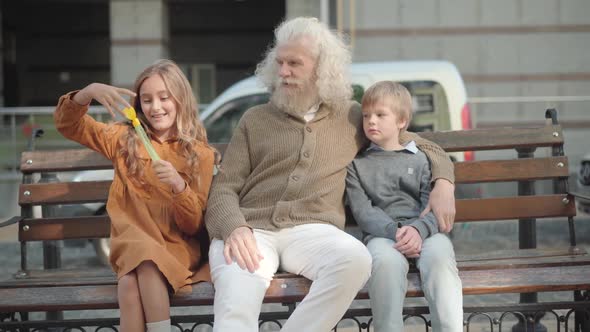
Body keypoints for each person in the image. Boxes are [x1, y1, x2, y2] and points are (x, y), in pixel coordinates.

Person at [204, 17, 456, 332]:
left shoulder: (352, 117)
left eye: (294, 63)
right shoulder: (254, 119)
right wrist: (233, 228)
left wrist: (443, 183)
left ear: (322, 69)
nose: (283, 72)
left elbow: (422, 146)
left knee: (356, 260)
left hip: (312, 232)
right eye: (280, 62)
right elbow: (223, 189)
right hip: (252, 232)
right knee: (236, 304)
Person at [54, 59, 216, 332]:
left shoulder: (200, 154)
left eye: (164, 98)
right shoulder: (123, 139)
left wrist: (179, 187)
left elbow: (194, 225)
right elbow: (68, 125)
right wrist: (88, 92)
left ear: (181, 100)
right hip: (133, 245)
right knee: (142, 255)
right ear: (138, 105)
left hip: (175, 248)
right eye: (147, 100)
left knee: (130, 284)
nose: (155, 107)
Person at [346, 81, 463, 331]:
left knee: (441, 258)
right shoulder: (357, 165)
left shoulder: (422, 160)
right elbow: (363, 211)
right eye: (366, 116)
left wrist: (418, 231)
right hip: (383, 235)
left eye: (380, 115)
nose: (371, 121)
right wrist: (396, 231)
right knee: (385, 263)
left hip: (425, 233)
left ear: (401, 121)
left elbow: (433, 205)